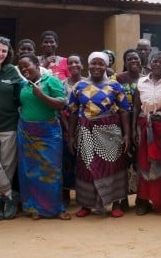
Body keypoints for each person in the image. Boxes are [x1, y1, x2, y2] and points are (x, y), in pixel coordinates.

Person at [68, 52, 130, 218]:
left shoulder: (115, 85)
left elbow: (124, 111)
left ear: (106, 66)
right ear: (88, 65)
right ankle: (86, 205)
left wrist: (127, 135)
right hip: (85, 131)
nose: (97, 67)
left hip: (111, 132)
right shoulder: (79, 86)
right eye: (93, 63)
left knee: (112, 166)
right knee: (86, 167)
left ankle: (116, 203)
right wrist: (71, 136)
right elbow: (73, 112)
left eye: (101, 64)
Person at [17, 53, 70, 220]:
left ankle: (56, 208)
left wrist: (41, 95)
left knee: (51, 170)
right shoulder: (23, 85)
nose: (24, 69)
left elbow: (61, 104)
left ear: (37, 64)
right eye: (21, 68)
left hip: (49, 132)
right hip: (26, 132)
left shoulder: (51, 81)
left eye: (27, 65)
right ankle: (35, 208)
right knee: (31, 171)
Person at [132, 51, 161, 215]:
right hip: (144, 127)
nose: (157, 64)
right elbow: (136, 107)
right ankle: (143, 201)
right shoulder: (141, 82)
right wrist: (134, 129)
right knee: (144, 164)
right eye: (154, 61)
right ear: (149, 63)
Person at [0, 36, 21, 220]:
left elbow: (20, 96)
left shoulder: (11, 71)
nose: (0, 53)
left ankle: (1, 201)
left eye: (4, 51)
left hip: (9, 125)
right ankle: (10, 194)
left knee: (7, 166)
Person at [114, 49, 143, 205]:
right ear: (125, 62)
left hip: (140, 124)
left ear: (140, 60)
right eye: (129, 59)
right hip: (121, 123)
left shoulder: (146, 79)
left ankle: (141, 197)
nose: (133, 61)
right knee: (122, 160)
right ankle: (122, 198)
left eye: (136, 58)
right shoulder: (117, 79)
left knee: (140, 160)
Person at [60, 54, 85, 206]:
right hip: (65, 126)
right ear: (67, 66)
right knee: (66, 159)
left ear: (82, 65)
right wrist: (68, 128)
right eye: (70, 63)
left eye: (77, 62)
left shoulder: (88, 83)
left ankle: (83, 193)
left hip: (84, 126)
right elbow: (61, 108)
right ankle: (65, 193)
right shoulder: (62, 84)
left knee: (83, 160)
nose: (74, 64)